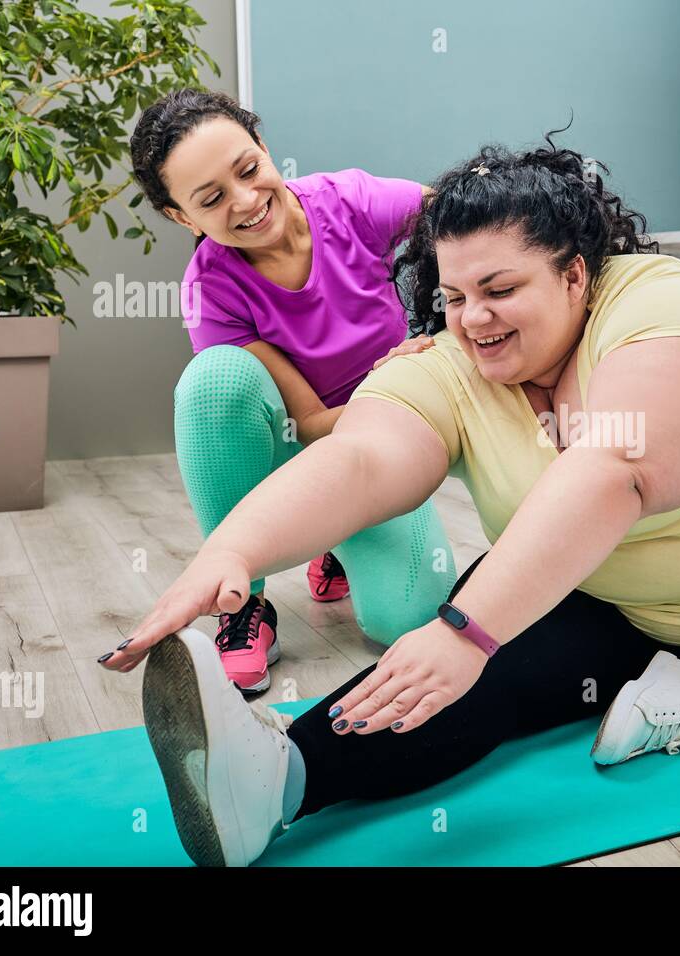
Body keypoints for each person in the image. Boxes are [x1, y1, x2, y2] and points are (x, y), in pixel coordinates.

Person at [103, 128, 680, 867]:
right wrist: (236, 550)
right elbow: (366, 460)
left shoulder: (661, 300)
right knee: (460, 672)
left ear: (575, 274)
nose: (473, 318)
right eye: (452, 297)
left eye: (499, 290)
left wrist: (468, 629)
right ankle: (282, 778)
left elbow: (616, 468)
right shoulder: (452, 363)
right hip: (602, 601)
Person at [125, 90, 454, 693]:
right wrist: (395, 389)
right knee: (213, 380)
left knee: (407, 620)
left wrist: (441, 335)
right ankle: (241, 604)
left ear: (265, 150)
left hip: (384, 450)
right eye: (212, 198)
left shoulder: (348, 202)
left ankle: (332, 543)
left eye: (249, 170)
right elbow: (306, 421)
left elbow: (463, 222)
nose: (247, 201)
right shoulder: (213, 292)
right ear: (182, 217)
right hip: (311, 440)